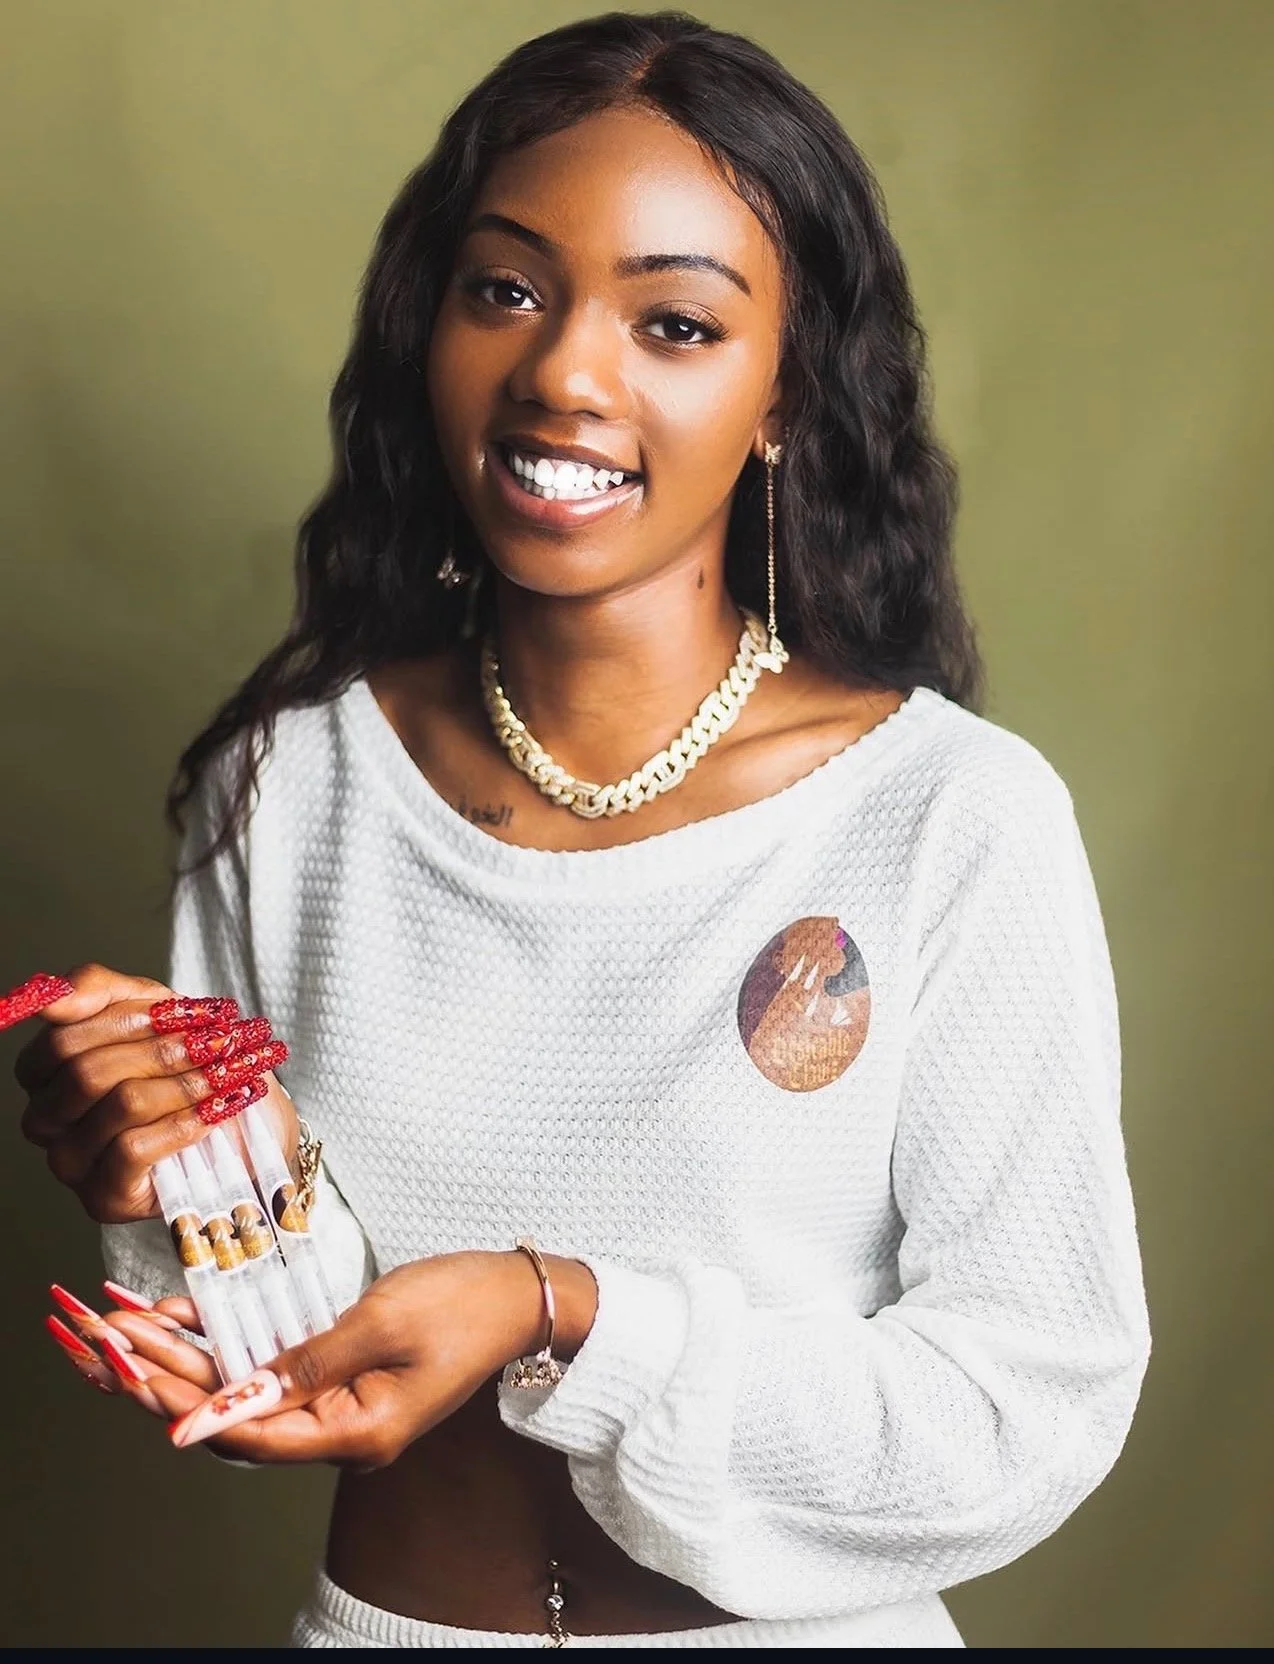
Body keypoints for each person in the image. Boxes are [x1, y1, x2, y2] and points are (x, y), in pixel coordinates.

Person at [14, 10, 1151, 1649]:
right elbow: (280, 1340)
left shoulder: (947, 818)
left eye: (675, 322)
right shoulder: (287, 787)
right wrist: (175, 1166)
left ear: (785, 394)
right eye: (507, 289)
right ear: (433, 326)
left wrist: (566, 1314)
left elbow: (1019, 1416)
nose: (563, 370)